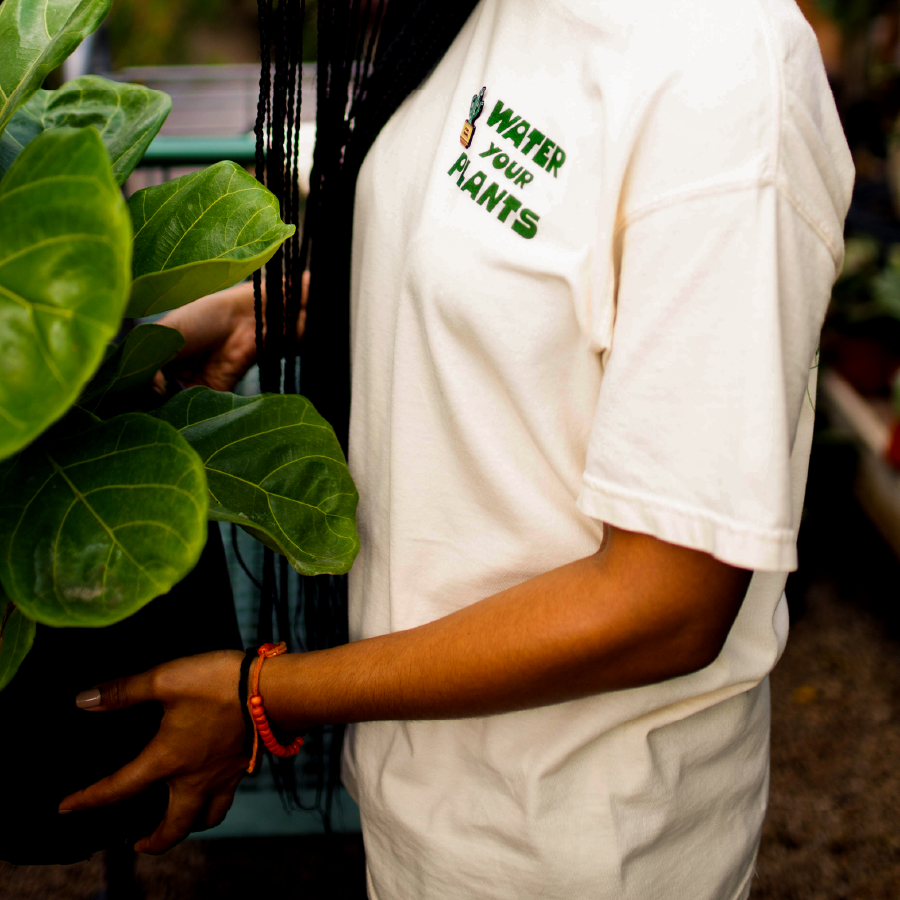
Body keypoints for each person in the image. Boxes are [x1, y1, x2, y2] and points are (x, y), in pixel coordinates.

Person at [60, 1, 854, 897]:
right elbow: (503, 285)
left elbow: (668, 600)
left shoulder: (723, 69)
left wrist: (261, 695)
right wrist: (270, 310)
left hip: (580, 849)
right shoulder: (477, 14)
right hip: (416, 811)